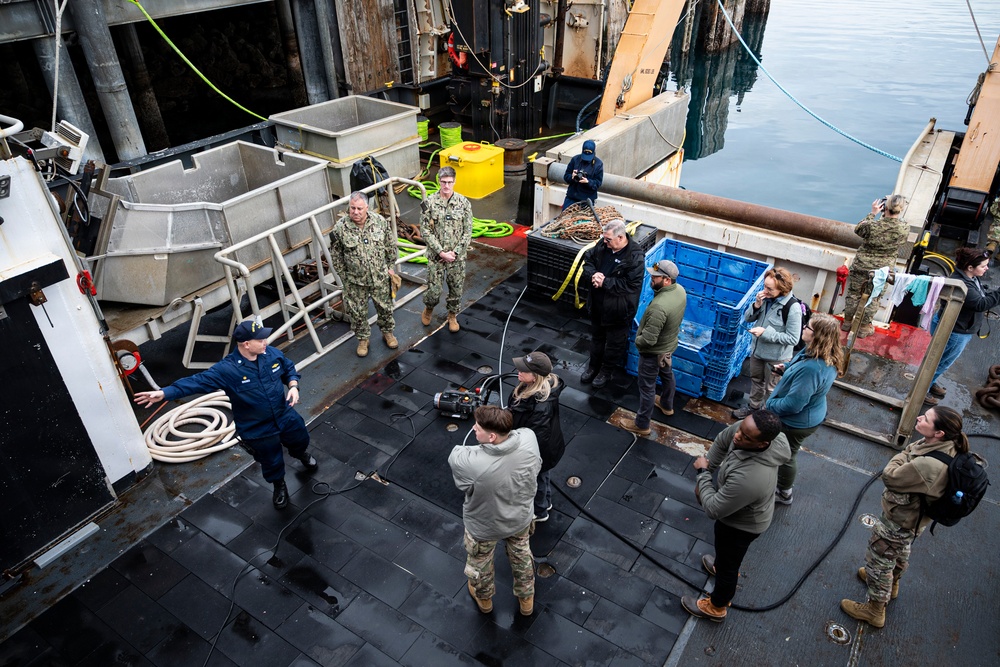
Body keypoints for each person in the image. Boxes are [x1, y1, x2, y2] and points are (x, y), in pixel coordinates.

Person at [133, 318, 317, 510]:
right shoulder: (227, 369)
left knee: (300, 438)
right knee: (270, 460)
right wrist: (164, 393)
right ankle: (279, 485)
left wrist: (293, 386)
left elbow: (288, 368)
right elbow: (197, 381)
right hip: (257, 427)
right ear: (246, 344)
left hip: (284, 415)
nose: (266, 342)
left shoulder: (270, 354)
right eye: (260, 339)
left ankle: (301, 454)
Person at [840, 406, 967, 628]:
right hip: (915, 521)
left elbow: (890, 476)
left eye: (926, 419)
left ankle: (875, 610)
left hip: (900, 520)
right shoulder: (949, 446)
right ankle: (893, 584)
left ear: (939, 433)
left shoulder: (928, 465)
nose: (919, 417)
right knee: (900, 551)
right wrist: (910, 454)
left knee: (880, 560)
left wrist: (903, 455)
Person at [683, 409, 790, 622]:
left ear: (762, 444)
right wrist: (710, 469)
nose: (737, 436)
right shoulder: (751, 431)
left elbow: (713, 509)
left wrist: (702, 475)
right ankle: (721, 564)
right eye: (740, 429)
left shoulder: (750, 478)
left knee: (729, 567)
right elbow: (723, 440)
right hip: (736, 513)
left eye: (745, 437)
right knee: (726, 554)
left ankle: (717, 607)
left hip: (741, 526)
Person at [448, 406, 542, 616]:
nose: (473, 428)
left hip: (485, 527)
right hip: (520, 518)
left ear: (491, 437)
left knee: (480, 562)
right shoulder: (529, 438)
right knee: (521, 555)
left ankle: (484, 600)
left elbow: (456, 457)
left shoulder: (469, 462)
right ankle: (526, 599)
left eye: (478, 427)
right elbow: (521, 434)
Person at [764, 313, 843, 505]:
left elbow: (793, 404)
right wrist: (786, 367)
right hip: (811, 414)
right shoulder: (819, 352)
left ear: (817, 335)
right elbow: (799, 366)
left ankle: (784, 493)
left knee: (787, 455)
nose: (804, 328)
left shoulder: (812, 368)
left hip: (796, 422)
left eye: (808, 327)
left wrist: (769, 406)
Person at [923, 246, 1000, 405]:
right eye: (983, 266)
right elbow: (980, 304)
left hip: (956, 327)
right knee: (941, 362)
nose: (987, 268)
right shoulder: (962, 283)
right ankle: (923, 389)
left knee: (939, 359)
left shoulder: (970, 277)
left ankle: (930, 382)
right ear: (970, 267)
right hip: (955, 332)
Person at [329, 191, 399, 357]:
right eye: (352, 208)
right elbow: (336, 256)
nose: (355, 212)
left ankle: (388, 333)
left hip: (379, 277)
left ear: (367, 207)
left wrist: (390, 267)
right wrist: (345, 278)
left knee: (385, 307)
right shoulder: (340, 228)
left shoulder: (379, 222)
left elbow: (390, 246)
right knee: (358, 313)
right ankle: (363, 339)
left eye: (359, 208)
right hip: (355, 281)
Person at [624, 259, 687, 436]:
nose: (651, 278)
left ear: (667, 280)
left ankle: (642, 425)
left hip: (653, 354)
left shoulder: (659, 306)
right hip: (668, 348)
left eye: (656, 277)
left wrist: (637, 341)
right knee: (667, 375)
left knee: (647, 388)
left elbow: (648, 340)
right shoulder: (680, 290)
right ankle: (667, 405)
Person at [580, 219, 645, 389]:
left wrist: (605, 282)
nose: (605, 242)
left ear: (621, 238)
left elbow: (631, 286)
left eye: (608, 239)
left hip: (619, 310)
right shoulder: (603, 245)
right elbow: (588, 261)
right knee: (597, 338)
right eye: (604, 238)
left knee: (615, 344)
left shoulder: (635, 257)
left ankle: (605, 372)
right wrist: (593, 275)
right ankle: (593, 367)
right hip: (598, 305)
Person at [733, 267, 802, 419]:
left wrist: (765, 333)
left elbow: (793, 338)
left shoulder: (793, 308)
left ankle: (767, 415)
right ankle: (753, 407)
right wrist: (756, 305)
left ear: (782, 289)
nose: (765, 291)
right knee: (756, 381)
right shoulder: (765, 299)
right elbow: (748, 318)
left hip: (776, 358)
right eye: (765, 286)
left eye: (769, 289)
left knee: (772, 389)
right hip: (757, 352)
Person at [508, 351, 565, 523]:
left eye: (523, 370)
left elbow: (535, 437)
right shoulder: (538, 390)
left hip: (538, 452)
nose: (518, 371)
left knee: (534, 480)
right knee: (543, 476)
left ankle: (540, 512)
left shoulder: (540, 407)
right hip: (548, 449)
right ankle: (546, 501)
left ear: (535, 377)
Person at [841, 195, 910, 338]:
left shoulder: (872, 225)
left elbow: (859, 229)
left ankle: (847, 323)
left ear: (885, 208)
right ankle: (863, 328)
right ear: (901, 209)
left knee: (854, 294)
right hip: (882, 271)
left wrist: (873, 213)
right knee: (874, 297)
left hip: (861, 266)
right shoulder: (903, 227)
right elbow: (902, 240)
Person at [420, 166, 473, 333]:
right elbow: (425, 231)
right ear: (439, 181)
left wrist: (455, 252)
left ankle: (452, 315)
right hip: (436, 256)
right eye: (443, 182)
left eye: (450, 182)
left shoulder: (463, 203)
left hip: (456, 257)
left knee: (456, 289)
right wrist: (441, 252)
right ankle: (429, 308)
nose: (447, 186)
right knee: (434, 291)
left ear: (455, 181)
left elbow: (468, 231)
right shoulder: (428, 203)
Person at [562, 139, 604, 210]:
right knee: (564, 216)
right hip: (571, 198)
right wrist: (572, 177)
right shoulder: (575, 160)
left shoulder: (598, 164)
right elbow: (566, 176)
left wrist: (588, 182)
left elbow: (598, 183)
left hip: (587, 200)